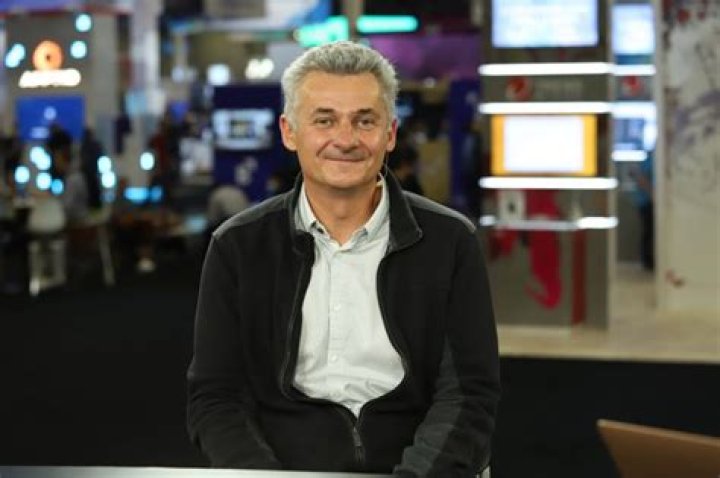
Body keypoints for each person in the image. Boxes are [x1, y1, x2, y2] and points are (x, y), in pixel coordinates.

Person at [187, 41, 500, 477]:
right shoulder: (237, 246)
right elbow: (216, 399)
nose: (346, 139)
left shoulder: (450, 242)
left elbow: (468, 396)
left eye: (365, 121)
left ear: (390, 133)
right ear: (289, 131)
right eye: (324, 120)